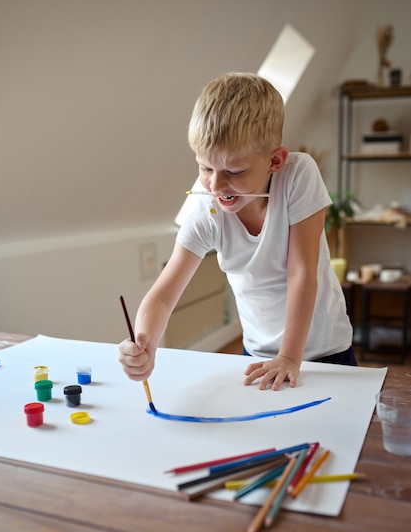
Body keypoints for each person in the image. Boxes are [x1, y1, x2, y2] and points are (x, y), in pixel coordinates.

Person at [118, 72, 355, 391]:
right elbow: (162, 296)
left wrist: (289, 358)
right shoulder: (207, 209)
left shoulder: (298, 175)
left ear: (275, 160)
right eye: (205, 167)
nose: (216, 185)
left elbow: (301, 272)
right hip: (257, 354)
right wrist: (145, 343)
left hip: (324, 352)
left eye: (234, 171)